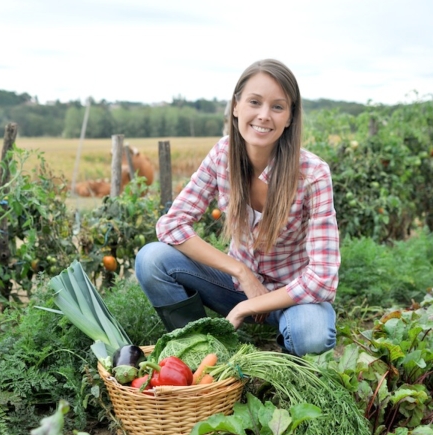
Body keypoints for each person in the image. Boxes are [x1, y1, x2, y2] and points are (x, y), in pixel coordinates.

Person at [134, 59, 340, 357]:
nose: (264, 116)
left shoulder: (313, 174)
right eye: (254, 102)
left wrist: (250, 304)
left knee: (310, 334)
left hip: (292, 297)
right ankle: (205, 350)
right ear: (235, 106)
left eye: (278, 107)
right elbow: (172, 225)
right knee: (151, 258)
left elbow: (322, 279)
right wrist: (241, 272)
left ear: (290, 117)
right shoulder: (222, 155)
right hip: (232, 286)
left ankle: (284, 360)